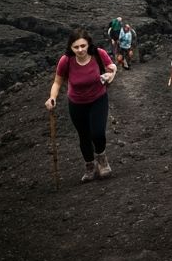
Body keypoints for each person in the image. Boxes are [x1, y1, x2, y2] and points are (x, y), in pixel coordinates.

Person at [45, 29, 118, 183]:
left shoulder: (99, 53)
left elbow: (112, 68)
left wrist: (110, 76)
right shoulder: (66, 60)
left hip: (98, 99)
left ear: (88, 44)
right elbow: (57, 82)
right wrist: (52, 97)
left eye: (83, 46)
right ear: (71, 48)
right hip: (76, 103)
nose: (80, 50)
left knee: (97, 133)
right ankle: (90, 166)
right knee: (84, 136)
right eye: (76, 47)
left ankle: (102, 160)